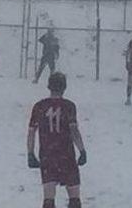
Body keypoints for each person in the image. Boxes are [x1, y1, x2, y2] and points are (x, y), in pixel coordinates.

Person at [27, 72, 87, 208]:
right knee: (74, 194)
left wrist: (30, 153)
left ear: (49, 86)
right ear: (64, 87)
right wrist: (82, 150)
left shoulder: (39, 106)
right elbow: (74, 130)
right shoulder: (69, 106)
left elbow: (31, 131)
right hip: (66, 153)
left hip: (47, 154)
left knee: (48, 195)